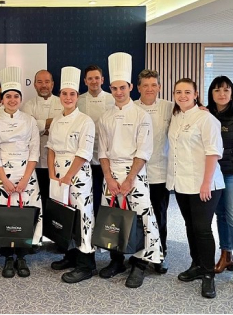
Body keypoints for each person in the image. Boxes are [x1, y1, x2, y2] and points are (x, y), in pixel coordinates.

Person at [98, 52, 162, 289]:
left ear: (130, 87)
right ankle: (116, 260)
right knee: (113, 219)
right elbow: (102, 152)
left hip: (134, 176)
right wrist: (108, 177)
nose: (118, 92)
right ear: (110, 88)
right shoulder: (105, 117)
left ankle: (140, 264)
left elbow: (143, 151)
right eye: (114, 88)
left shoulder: (141, 115)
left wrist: (129, 179)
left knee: (141, 219)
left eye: (122, 87)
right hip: (111, 175)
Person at [167, 77, 224, 299]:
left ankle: (209, 274)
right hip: (182, 184)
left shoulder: (206, 118)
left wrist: (206, 183)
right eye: (178, 92)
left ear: (196, 94)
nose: (182, 96)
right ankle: (197, 264)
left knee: (202, 228)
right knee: (190, 226)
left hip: (206, 184)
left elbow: (213, 152)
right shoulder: (176, 117)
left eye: (187, 92)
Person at [0, 66, 43, 278]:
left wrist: (25, 179)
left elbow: (34, 153)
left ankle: (22, 257)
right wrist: (5, 181)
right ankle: (8, 257)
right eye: (8, 96)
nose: (12, 100)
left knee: (25, 216)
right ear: (2, 99)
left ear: (20, 98)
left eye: (15, 96)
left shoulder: (29, 121)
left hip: (26, 175)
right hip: (1, 176)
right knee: (4, 216)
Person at [47, 66, 97, 284]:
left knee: (82, 215)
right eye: (64, 93)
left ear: (77, 96)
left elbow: (84, 153)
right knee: (64, 214)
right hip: (57, 174)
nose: (68, 97)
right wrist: (52, 174)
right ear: (60, 96)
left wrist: (68, 177)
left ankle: (87, 263)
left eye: (72, 94)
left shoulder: (85, 121)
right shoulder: (56, 120)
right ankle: (71, 254)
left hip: (77, 175)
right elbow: (50, 149)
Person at [207, 75, 233, 293]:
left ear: (232, 92)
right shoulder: (206, 113)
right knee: (220, 216)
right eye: (217, 90)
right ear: (211, 93)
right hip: (214, 174)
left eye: (226, 90)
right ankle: (226, 255)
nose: (222, 94)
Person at [135, 69, 173, 274]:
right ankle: (138, 254)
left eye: (153, 85)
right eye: (145, 85)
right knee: (138, 216)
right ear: (139, 87)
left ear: (159, 86)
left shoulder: (169, 107)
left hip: (160, 172)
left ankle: (160, 254)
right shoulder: (131, 108)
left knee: (159, 215)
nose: (150, 89)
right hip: (136, 173)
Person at [22, 70, 63, 211]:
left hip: (58, 163)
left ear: (52, 84)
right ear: (34, 85)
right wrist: (52, 123)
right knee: (36, 200)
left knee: (55, 202)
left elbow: (65, 127)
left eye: (47, 82)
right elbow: (28, 129)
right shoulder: (28, 105)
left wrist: (39, 126)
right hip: (35, 164)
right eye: (40, 82)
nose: (43, 85)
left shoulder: (62, 102)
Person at [77, 65, 114, 217]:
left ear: (102, 80)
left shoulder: (112, 99)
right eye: (90, 78)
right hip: (83, 158)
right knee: (85, 196)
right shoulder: (78, 100)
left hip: (108, 158)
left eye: (97, 78)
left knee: (104, 197)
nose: (94, 81)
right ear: (85, 81)